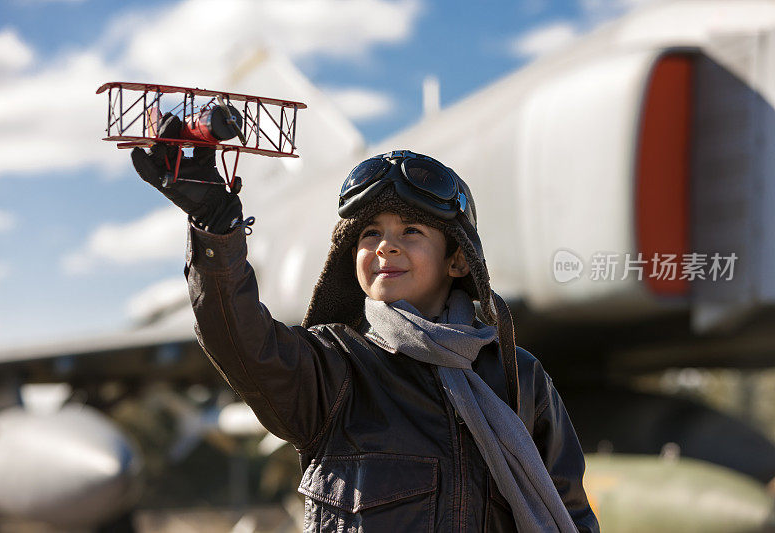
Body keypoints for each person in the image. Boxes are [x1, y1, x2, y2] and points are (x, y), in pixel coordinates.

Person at [132, 116, 599, 532]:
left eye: (410, 232)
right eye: (370, 232)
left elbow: (569, 510)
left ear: (458, 260)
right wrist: (217, 229)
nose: (384, 246)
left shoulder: (520, 377)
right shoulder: (334, 368)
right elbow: (239, 339)